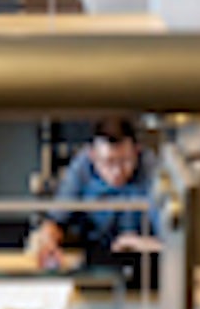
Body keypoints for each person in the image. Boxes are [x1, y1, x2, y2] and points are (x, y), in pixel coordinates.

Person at [31, 115, 160, 271]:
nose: (117, 172)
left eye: (125, 161)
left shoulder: (153, 170)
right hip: (95, 258)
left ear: (137, 151)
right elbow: (56, 221)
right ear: (92, 156)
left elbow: (174, 239)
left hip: (146, 262)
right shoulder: (81, 168)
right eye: (108, 162)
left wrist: (141, 243)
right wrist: (49, 242)